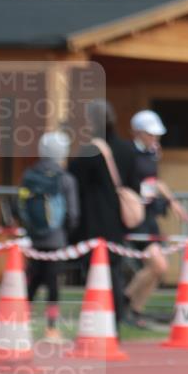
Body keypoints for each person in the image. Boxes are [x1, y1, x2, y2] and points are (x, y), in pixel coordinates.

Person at [68, 100, 139, 327]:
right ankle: (115, 322)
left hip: (92, 224)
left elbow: (73, 184)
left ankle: (95, 323)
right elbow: (134, 187)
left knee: (94, 276)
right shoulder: (128, 150)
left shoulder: (89, 152)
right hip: (117, 223)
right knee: (115, 274)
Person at [19, 131, 79, 341]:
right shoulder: (66, 179)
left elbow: (22, 206)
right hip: (56, 240)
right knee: (53, 285)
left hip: (33, 239)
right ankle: (51, 327)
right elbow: (72, 214)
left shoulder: (29, 175)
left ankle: (20, 322)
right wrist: (67, 234)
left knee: (32, 281)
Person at [123, 109, 177, 328]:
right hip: (135, 216)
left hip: (150, 216)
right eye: (150, 134)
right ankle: (124, 299)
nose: (154, 138)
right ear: (137, 132)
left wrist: (173, 202)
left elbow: (154, 182)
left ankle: (134, 309)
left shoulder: (152, 153)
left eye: (156, 135)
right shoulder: (127, 154)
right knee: (158, 265)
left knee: (158, 269)